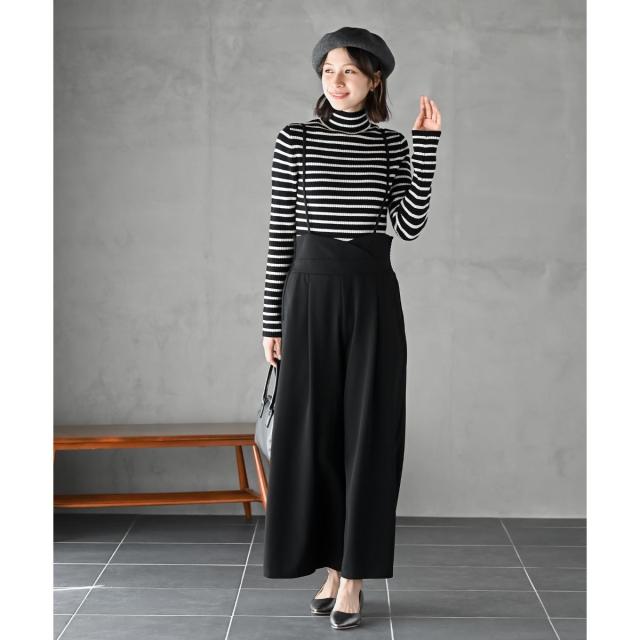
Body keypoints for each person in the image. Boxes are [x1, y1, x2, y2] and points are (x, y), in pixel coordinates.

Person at [260, 26, 442, 630]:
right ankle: (332, 567)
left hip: (371, 296)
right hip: (308, 295)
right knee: (314, 436)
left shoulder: (391, 146)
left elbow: (408, 226)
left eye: (349, 72)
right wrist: (271, 320)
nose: (336, 82)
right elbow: (280, 234)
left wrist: (425, 147)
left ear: (374, 79)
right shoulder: (296, 139)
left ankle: (355, 577)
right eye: (328, 71)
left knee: (368, 434)